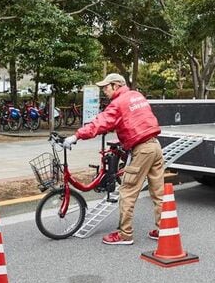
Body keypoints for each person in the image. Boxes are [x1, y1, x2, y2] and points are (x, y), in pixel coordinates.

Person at [63, 73, 164, 245]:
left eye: (106, 87)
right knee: (158, 192)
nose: (104, 91)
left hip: (142, 150)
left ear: (116, 85)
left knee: (127, 191)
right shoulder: (137, 96)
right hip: (155, 146)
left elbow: (100, 123)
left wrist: (76, 136)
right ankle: (164, 229)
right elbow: (137, 120)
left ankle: (125, 235)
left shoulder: (118, 103)